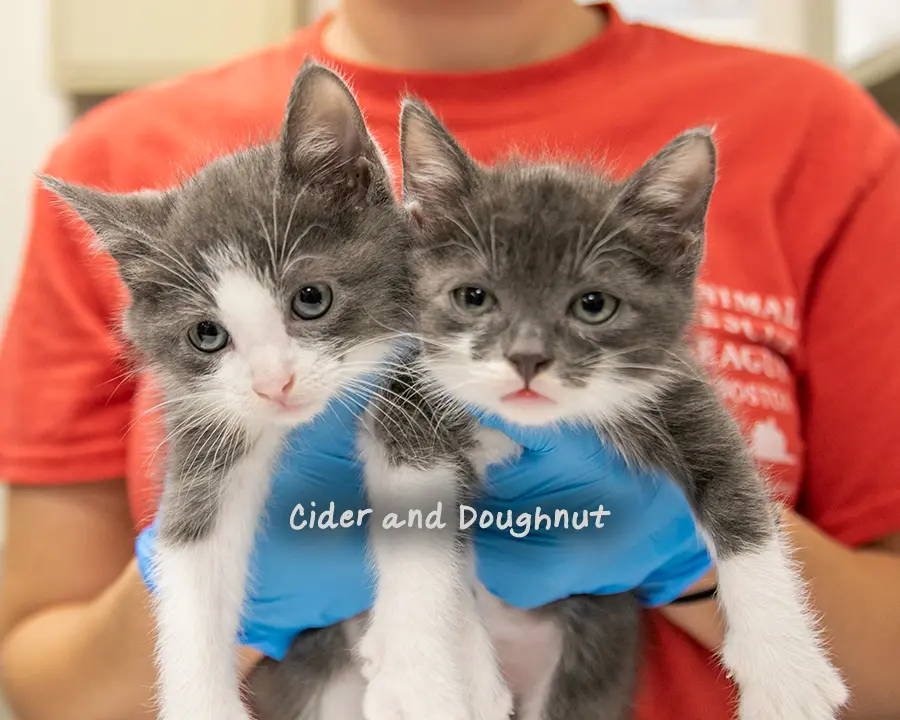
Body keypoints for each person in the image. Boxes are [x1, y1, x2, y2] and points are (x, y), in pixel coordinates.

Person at [1, 1, 899, 718]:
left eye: (313, 300)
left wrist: (685, 556)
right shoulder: (122, 160)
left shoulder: (816, 132)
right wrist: (244, 600)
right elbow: (44, 685)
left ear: (365, 190)